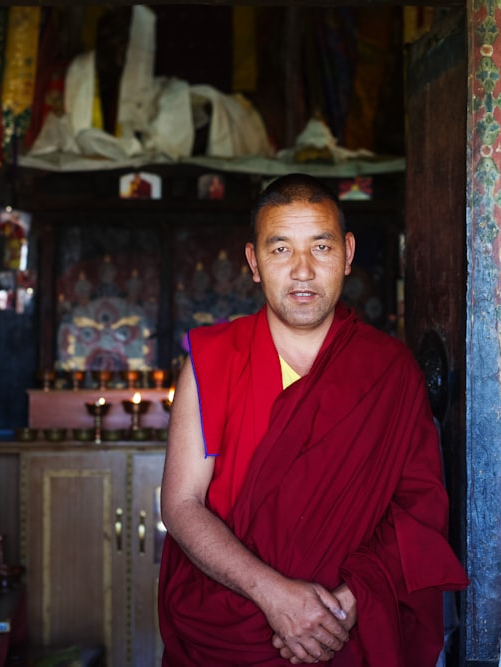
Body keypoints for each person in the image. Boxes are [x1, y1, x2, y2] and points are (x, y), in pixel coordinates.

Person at [158, 173, 468, 666]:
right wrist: (277, 598)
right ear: (253, 261)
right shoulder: (212, 362)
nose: (302, 271)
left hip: (346, 629)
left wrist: (343, 605)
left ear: (347, 253)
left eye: (320, 247)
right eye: (280, 250)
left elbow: (418, 512)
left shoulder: (388, 371)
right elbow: (181, 503)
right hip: (228, 626)